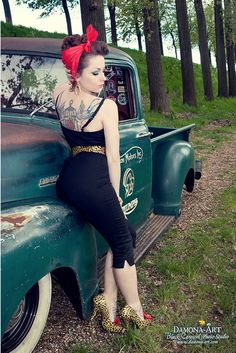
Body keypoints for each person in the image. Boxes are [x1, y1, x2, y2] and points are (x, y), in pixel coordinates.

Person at [53, 24, 152, 333]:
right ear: (76, 73)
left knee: (122, 235)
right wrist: (116, 192)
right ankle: (134, 309)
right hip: (95, 181)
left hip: (70, 179)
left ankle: (107, 302)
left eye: (104, 72)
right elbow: (112, 157)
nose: (103, 78)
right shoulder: (106, 106)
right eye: (95, 73)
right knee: (123, 241)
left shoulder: (59, 96)